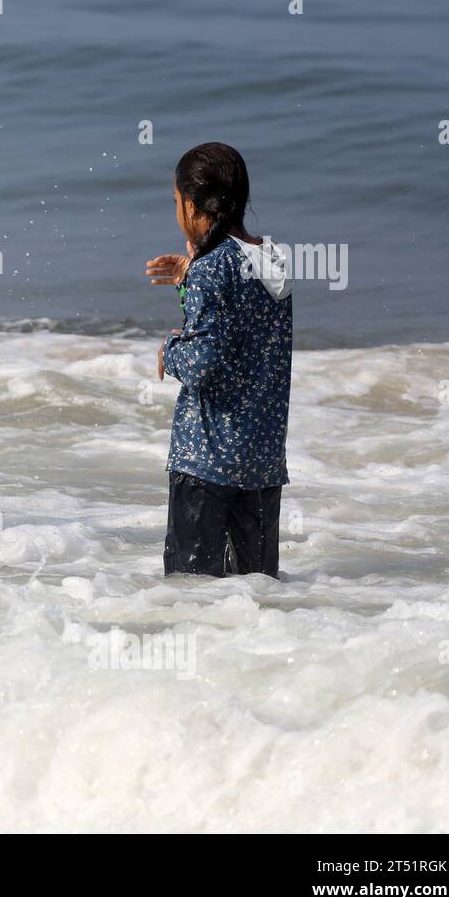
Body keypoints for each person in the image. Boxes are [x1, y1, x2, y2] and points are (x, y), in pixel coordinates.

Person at [146, 143, 293, 577]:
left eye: (176, 201)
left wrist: (168, 351)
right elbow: (239, 335)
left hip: (206, 463)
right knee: (258, 596)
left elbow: (203, 360)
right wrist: (186, 279)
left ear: (193, 205)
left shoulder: (212, 269)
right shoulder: (273, 259)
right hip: (261, 464)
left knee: (191, 596)